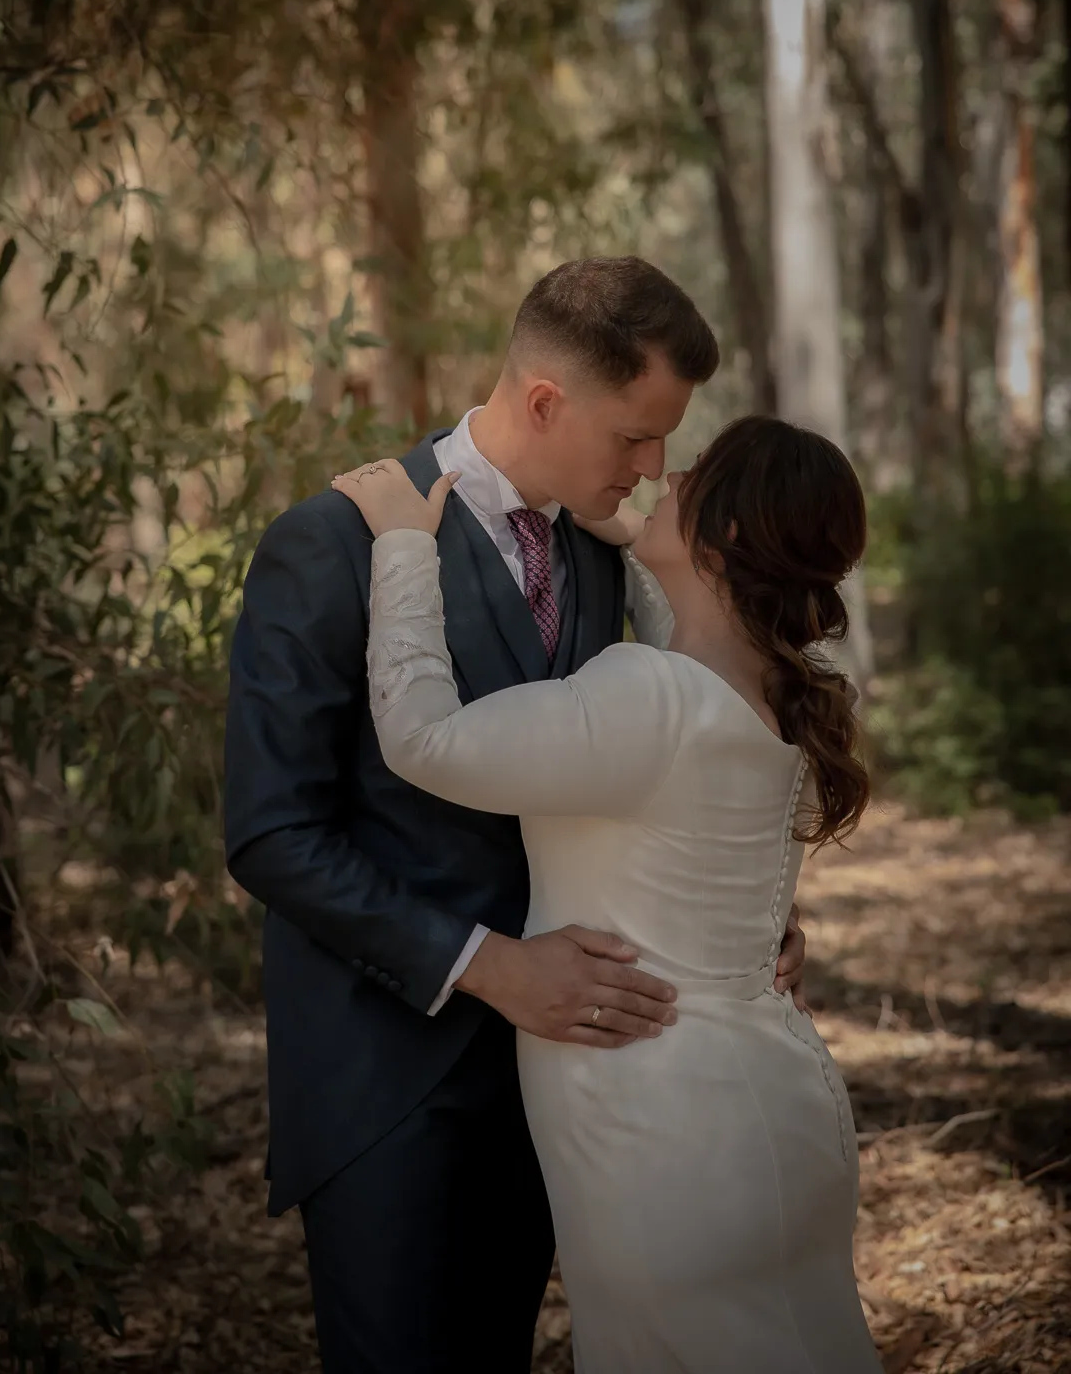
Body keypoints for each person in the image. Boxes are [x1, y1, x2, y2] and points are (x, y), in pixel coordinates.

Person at [224, 257, 807, 1373]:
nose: (655, 468)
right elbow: (271, 832)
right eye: (636, 438)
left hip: (572, 1077)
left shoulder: (602, 548)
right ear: (546, 399)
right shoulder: (335, 542)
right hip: (389, 1074)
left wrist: (746, 913)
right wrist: (487, 964)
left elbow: (666, 752)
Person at [332, 414, 882, 1374]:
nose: (663, 477)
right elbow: (691, 676)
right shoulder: (778, 692)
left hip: (662, 1121)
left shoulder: (649, 696)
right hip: (782, 1099)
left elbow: (424, 739)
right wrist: (648, 557)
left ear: (731, 538)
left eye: (693, 475)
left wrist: (406, 545)